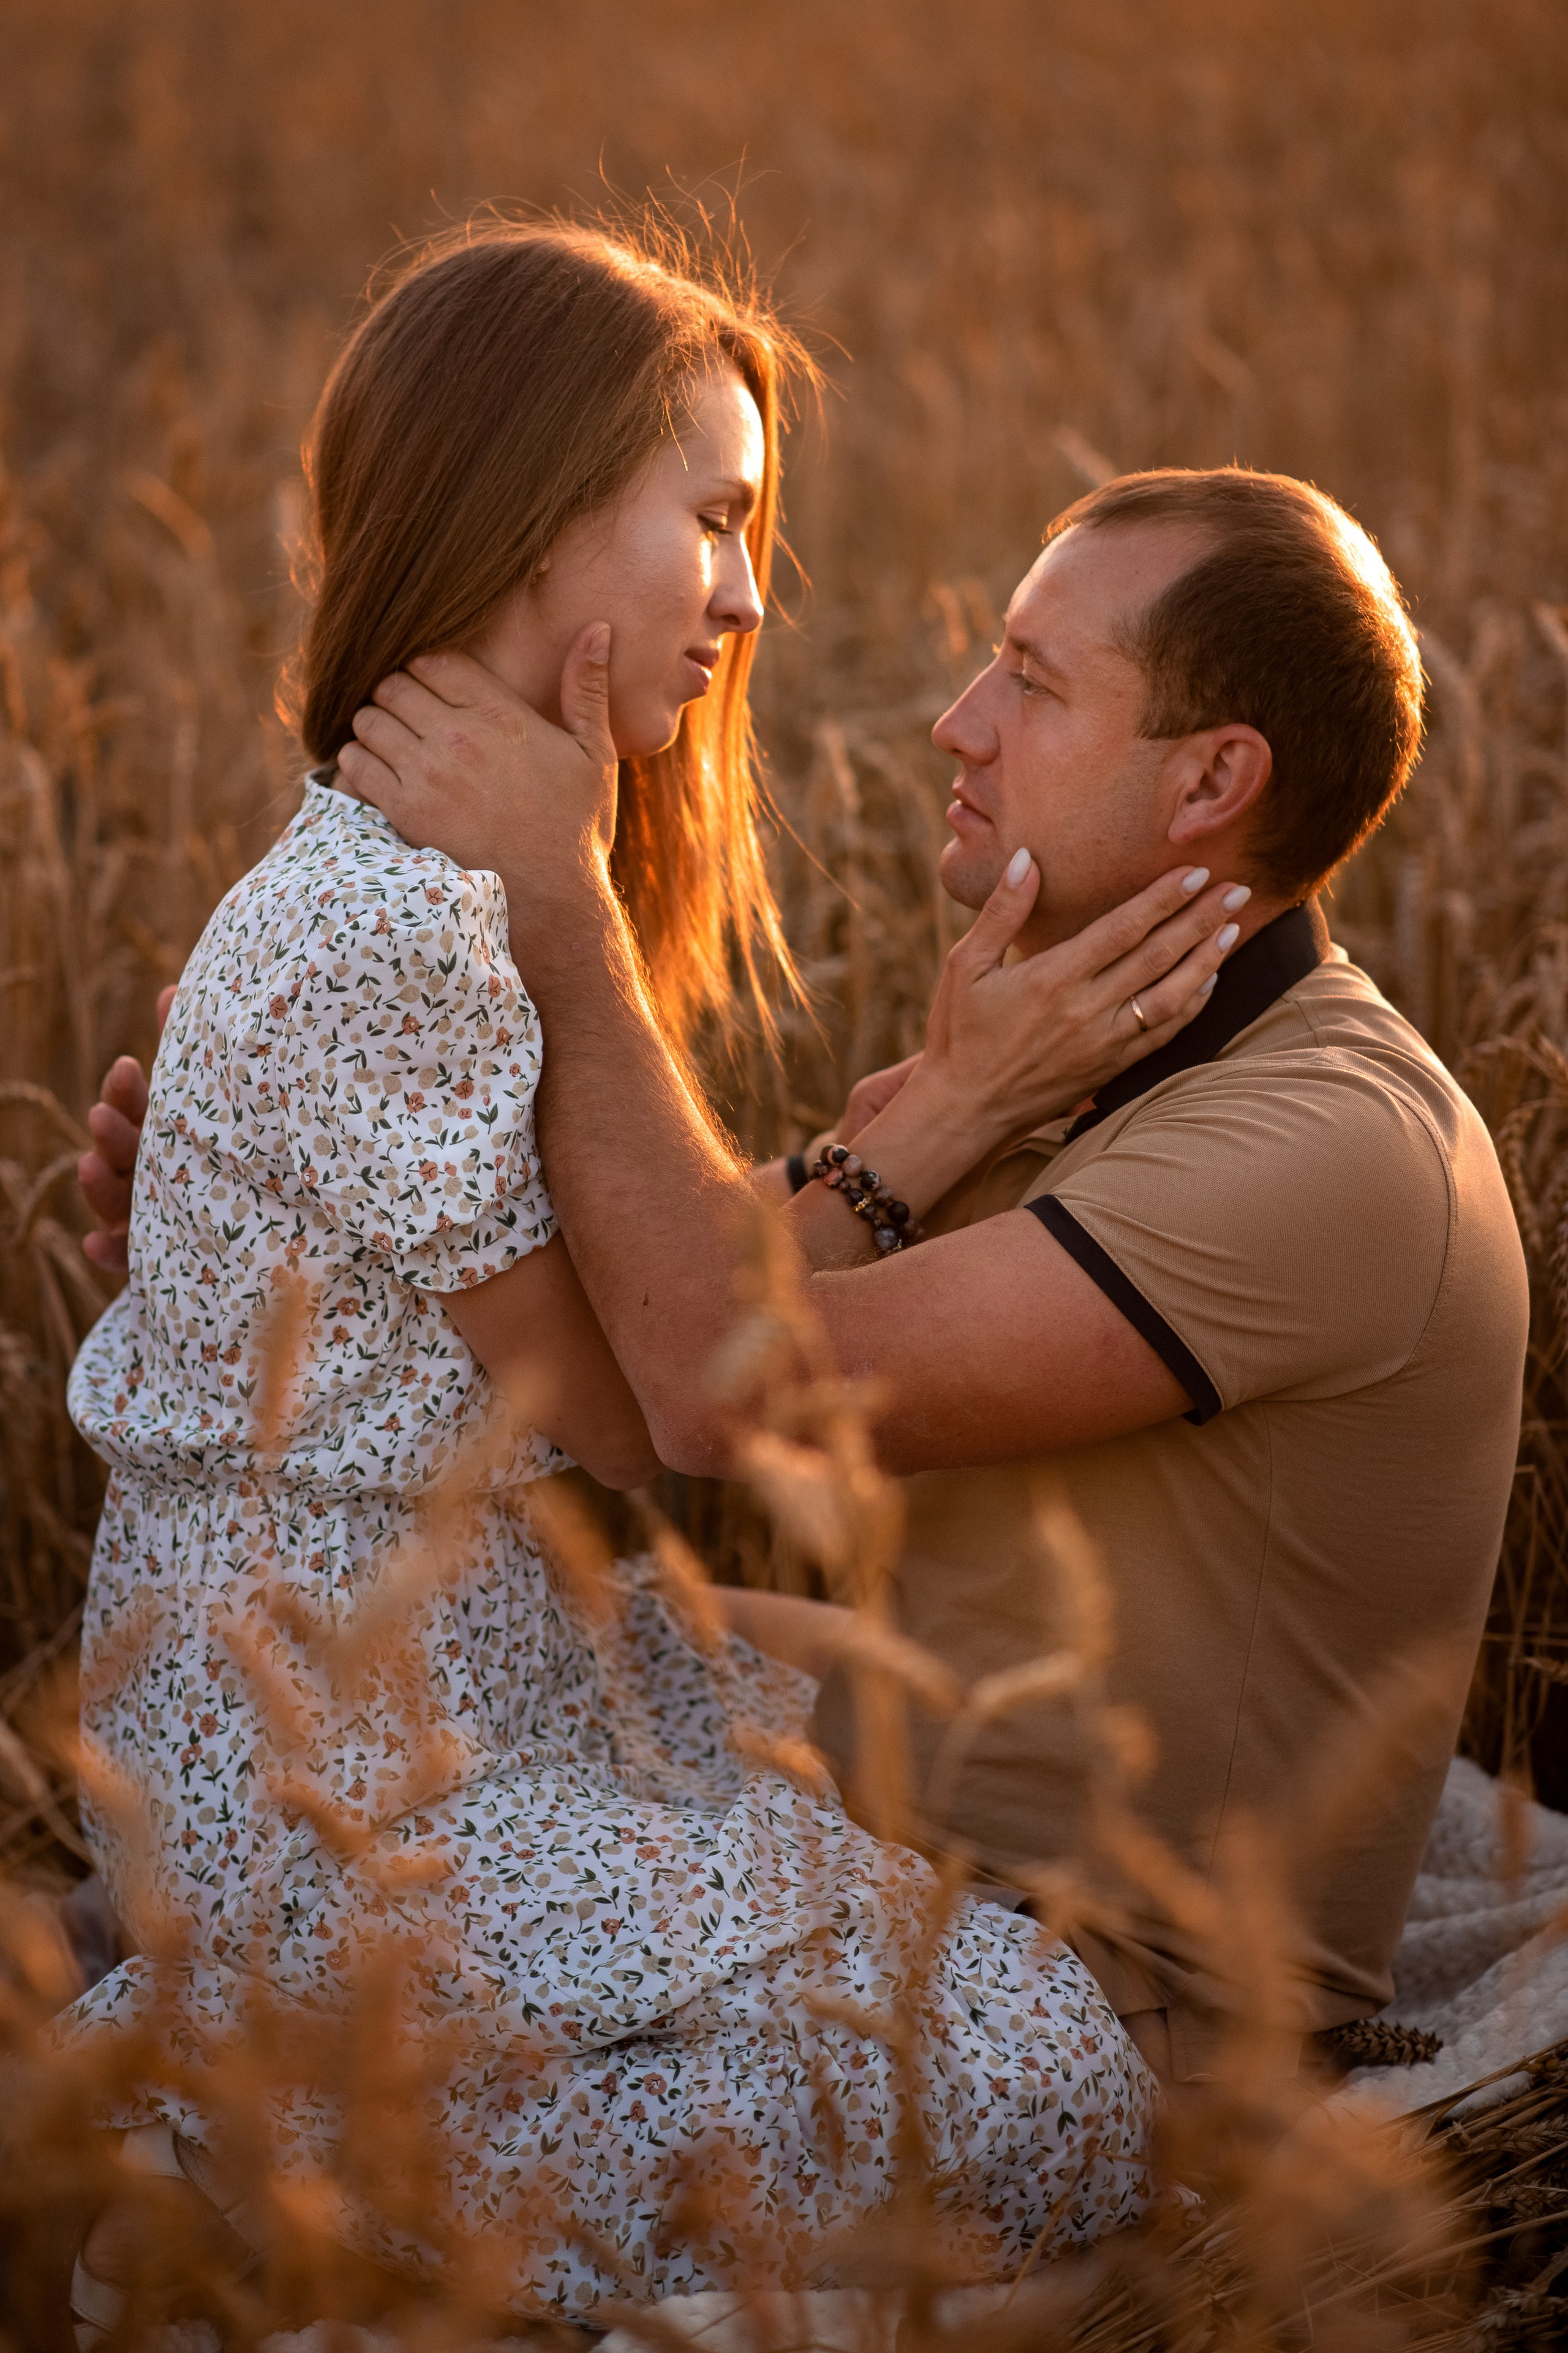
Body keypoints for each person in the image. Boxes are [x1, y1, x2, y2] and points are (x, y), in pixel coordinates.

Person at [64, 221, 1246, 2322]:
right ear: (530, 519)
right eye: (712, 514)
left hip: (456, 1709)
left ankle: (258, 2118)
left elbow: (652, 1294)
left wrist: (933, 1116)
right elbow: (650, 1407)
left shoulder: (439, 882)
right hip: (349, 1785)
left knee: (1002, 2023)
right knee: (1051, 2081)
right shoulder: (416, 922)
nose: (752, 586)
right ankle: (226, 2140)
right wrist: (890, 1108)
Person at [331, 464, 1531, 2093]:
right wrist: (263, 1224)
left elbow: (708, 1375)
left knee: (281, 2052)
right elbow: (618, 1348)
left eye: (1033, 682)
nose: (960, 722)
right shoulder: (1083, 1046)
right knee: (428, 1654)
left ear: (1214, 780)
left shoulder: (1322, 1151)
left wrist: (566, 900)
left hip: (1090, 2010)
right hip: (898, 1844)